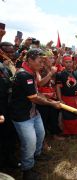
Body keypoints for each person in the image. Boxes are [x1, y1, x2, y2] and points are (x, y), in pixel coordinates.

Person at [10, 48, 61, 180]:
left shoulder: (32, 72)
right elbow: (34, 98)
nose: (42, 64)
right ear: (30, 60)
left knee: (40, 134)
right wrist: (51, 103)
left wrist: (47, 97)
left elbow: (36, 93)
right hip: (22, 116)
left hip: (33, 112)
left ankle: (37, 155)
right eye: (40, 61)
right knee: (30, 142)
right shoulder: (24, 75)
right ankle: (27, 170)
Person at [36, 50, 63, 140]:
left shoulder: (54, 68)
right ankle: (43, 140)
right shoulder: (39, 69)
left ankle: (55, 134)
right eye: (50, 58)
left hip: (53, 97)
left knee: (54, 117)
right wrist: (50, 73)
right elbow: (40, 83)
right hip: (43, 98)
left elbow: (55, 84)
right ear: (45, 59)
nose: (52, 59)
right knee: (43, 118)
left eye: (52, 57)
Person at [0, 42, 19, 170]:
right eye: (8, 52)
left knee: (9, 136)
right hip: (1, 108)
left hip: (8, 107)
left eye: (13, 52)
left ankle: (9, 161)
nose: (11, 54)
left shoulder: (7, 66)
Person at [56, 56, 77, 135]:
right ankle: (68, 132)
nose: (68, 64)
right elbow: (58, 87)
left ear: (73, 63)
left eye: (70, 62)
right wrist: (60, 99)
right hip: (66, 99)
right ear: (63, 63)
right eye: (66, 62)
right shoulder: (59, 74)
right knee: (67, 116)